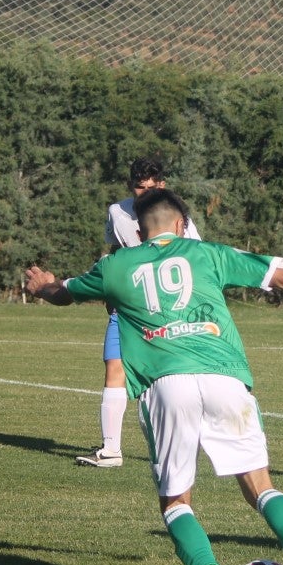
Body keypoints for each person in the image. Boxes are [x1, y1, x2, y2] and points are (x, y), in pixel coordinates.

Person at [24, 188, 283, 565]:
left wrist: (43, 285)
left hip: (167, 386)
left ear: (140, 231)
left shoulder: (115, 265)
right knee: (260, 485)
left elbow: (63, 292)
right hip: (225, 379)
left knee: (176, 501)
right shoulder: (208, 254)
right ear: (182, 225)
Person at [77, 157, 201, 468]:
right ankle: (110, 450)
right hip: (128, 306)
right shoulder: (117, 212)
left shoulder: (175, 213)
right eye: (138, 186)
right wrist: (111, 287)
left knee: (164, 378)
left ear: (161, 185)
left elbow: (195, 254)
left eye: (150, 186)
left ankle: (179, 445)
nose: (143, 192)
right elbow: (116, 251)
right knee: (114, 367)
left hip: (166, 310)